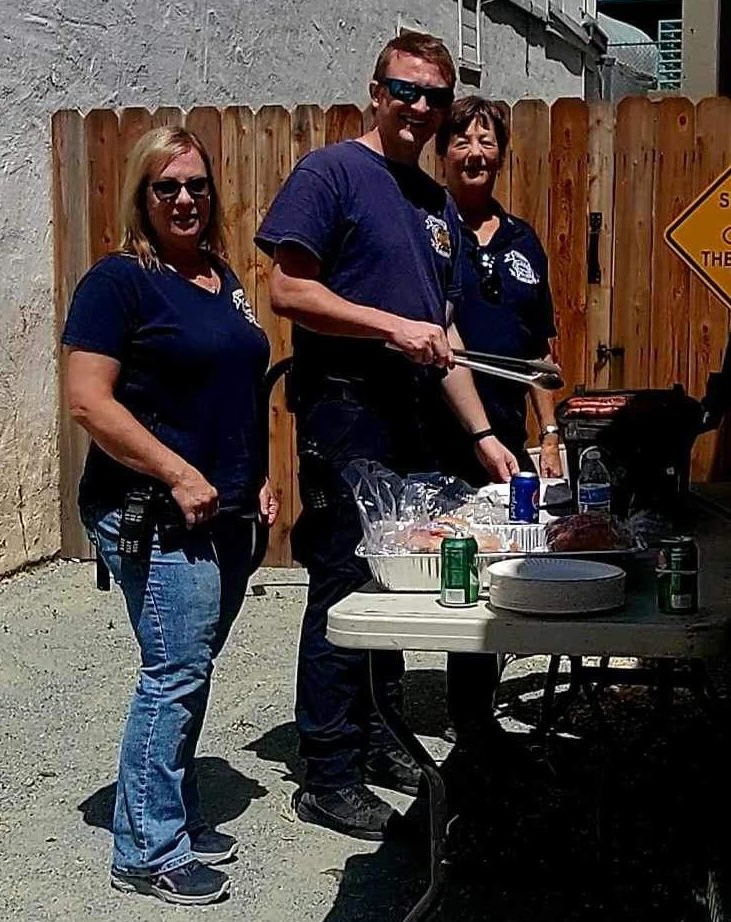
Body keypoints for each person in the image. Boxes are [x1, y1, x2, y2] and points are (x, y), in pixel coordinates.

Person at [256, 33, 518, 841]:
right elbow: (287, 288)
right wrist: (389, 328)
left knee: (396, 584)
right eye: (406, 91)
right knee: (342, 583)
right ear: (376, 91)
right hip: (346, 409)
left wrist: (481, 435)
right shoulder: (332, 173)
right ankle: (327, 769)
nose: (420, 109)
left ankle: (379, 738)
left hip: (411, 417)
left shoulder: (433, 205)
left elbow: (438, 335)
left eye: (435, 97)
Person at [62, 126, 278, 906]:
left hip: (223, 511)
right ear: (141, 197)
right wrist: (179, 472)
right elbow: (89, 401)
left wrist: (255, 476)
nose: (185, 199)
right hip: (153, 511)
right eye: (166, 187)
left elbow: (239, 383)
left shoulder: (220, 276)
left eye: (196, 185)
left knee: (191, 667)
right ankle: (147, 849)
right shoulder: (119, 283)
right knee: (173, 673)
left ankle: (167, 808)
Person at [436, 96, 562, 750]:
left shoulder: (523, 242)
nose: (476, 154)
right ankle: (378, 722)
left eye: (487, 142)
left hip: (505, 443)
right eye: (463, 142)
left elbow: (540, 349)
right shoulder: (427, 230)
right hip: (433, 436)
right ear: (444, 152)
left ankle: (473, 717)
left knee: (495, 574)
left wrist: (548, 433)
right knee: (416, 579)